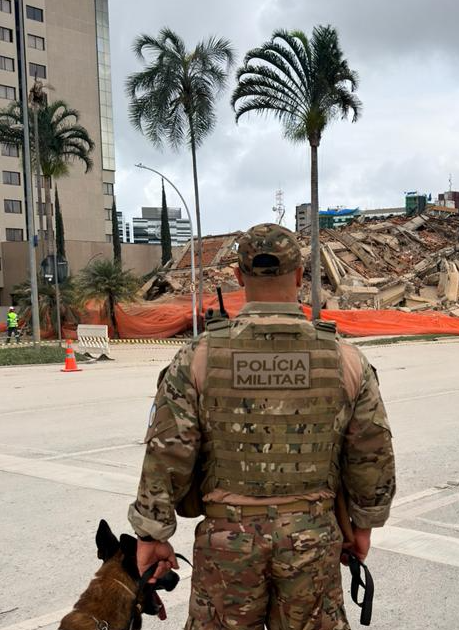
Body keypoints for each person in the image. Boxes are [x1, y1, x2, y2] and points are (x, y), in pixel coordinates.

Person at [128, 223, 396, 629]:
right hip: (312, 536)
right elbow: (371, 454)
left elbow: (167, 450)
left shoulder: (197, 357)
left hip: (226, 543)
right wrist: (363, 524)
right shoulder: (346, 359)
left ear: (238, 277)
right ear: (300, 275)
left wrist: (152, 533)